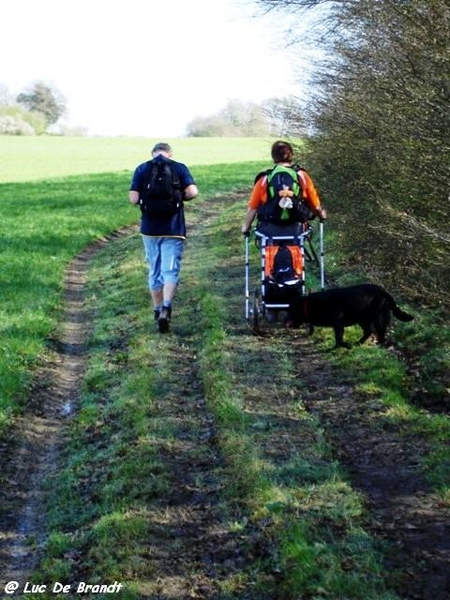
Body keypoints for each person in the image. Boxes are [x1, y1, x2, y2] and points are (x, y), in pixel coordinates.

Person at [129, 143, 198, 333]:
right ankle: (167, 308)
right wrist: (179, 198)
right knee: (170, 270)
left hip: (150, 228)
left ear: (152, 154)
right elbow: (193, 192)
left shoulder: (142, 168)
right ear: (170, 154)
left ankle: (157, 308)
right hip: (174, 227)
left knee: (154, 269)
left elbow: (133, 199)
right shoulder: (179, 167)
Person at [241, 140, 327, 237]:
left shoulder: (264, 178)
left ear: (274, 157)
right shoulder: (302, 176)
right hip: (297, 229)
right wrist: (321, 215)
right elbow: (315, 206)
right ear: (291, 155)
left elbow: (253, 208)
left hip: (269, 230)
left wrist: (245, 227)